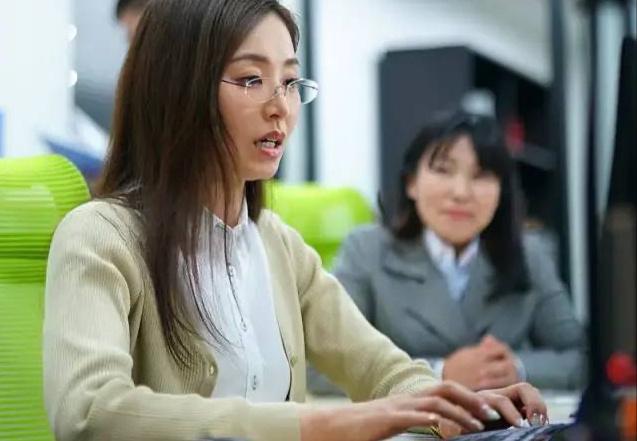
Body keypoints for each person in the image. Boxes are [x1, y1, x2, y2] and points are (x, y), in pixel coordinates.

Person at [43, 2, 548, 440]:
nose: (280, 107)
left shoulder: (278, 245)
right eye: (251, 79)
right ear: (177, 90)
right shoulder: (100, 236)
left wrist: (461, 407)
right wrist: (322, 426)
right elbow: (89, 411)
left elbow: (381, 369)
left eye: (289, 82)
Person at [328, 110, 585, 393]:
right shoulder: (366, 251)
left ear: (501, 192)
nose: (461, 192)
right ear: (411, 183)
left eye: (481, 175)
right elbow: (320, 365)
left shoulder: (530, 253)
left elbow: (581, 358)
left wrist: (515, 369)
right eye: (443, 170)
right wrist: (439, 373)